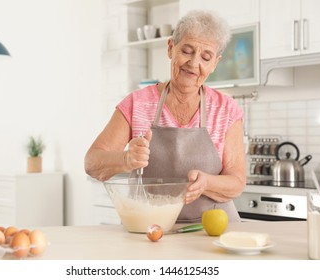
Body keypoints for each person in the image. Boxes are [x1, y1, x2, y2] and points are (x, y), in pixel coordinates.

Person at [85, 10, 246, 223]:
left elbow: (237, 181)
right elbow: (92, 162)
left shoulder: (226, 109)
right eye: (187, 51)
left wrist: (207, 183)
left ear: (215, 63)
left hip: (211, 233)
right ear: (171, 48)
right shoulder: (137, 104)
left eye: (205, 57)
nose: (193, 63)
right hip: (150, 230)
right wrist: (126, 159)